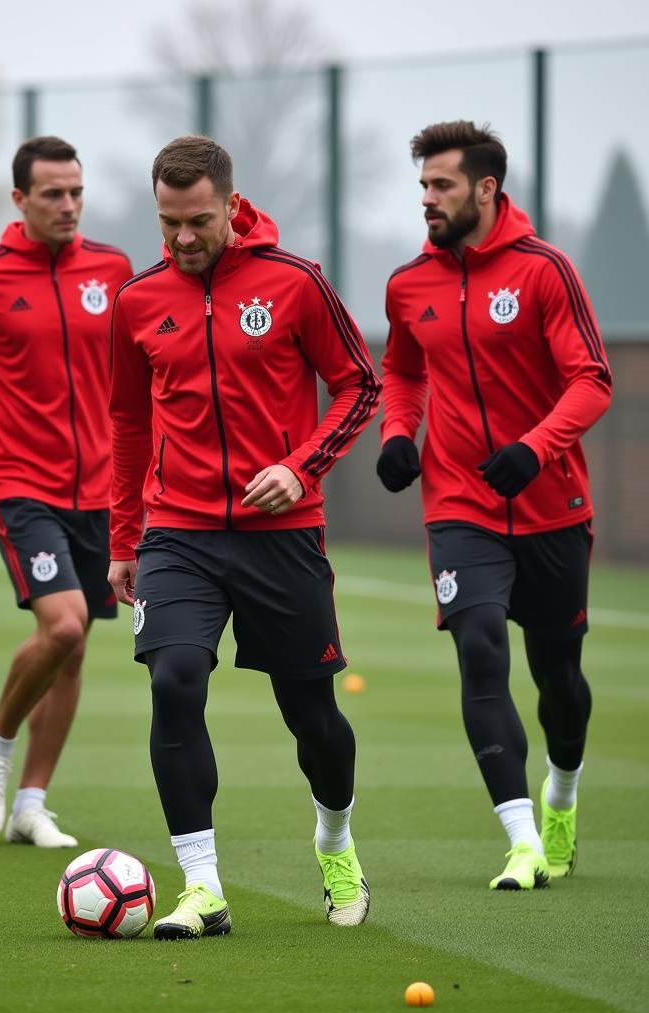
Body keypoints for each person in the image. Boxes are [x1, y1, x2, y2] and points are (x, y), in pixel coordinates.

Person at [109, 135, 380, 939]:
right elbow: (127, 422)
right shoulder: (137, 300)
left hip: (281, 534)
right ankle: (202, 888)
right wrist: (126, 537)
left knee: (312, 715)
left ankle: (335, 845)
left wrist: (301, 468)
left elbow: (361, 385)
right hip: (179, 534)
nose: (183, 240)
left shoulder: (296, 283)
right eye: (168, 225)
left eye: (197, 222)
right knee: (174, 681)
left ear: (231, 205)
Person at [378, 120, 612, 890]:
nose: (428, 200)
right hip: (459, 506)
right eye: (422, 186)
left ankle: (562, 792)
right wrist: (398, 433)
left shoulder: (546, 271)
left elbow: (592, 379)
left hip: (551, 507)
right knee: (479, 648)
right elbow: (403, 372)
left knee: (559, 680)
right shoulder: (410, 282)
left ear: (486, 188)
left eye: (441, 185)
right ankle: (520, 840)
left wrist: (534, 448)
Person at [0, 136, 133, 848]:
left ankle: (32, 803)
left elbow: (137, 379)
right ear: (19, 200)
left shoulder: (113, 268)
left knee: (73, 651)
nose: (68, 205)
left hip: (102, 490)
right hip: (20, 484)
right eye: (52, 194)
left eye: (76, 192)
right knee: (63, 624)